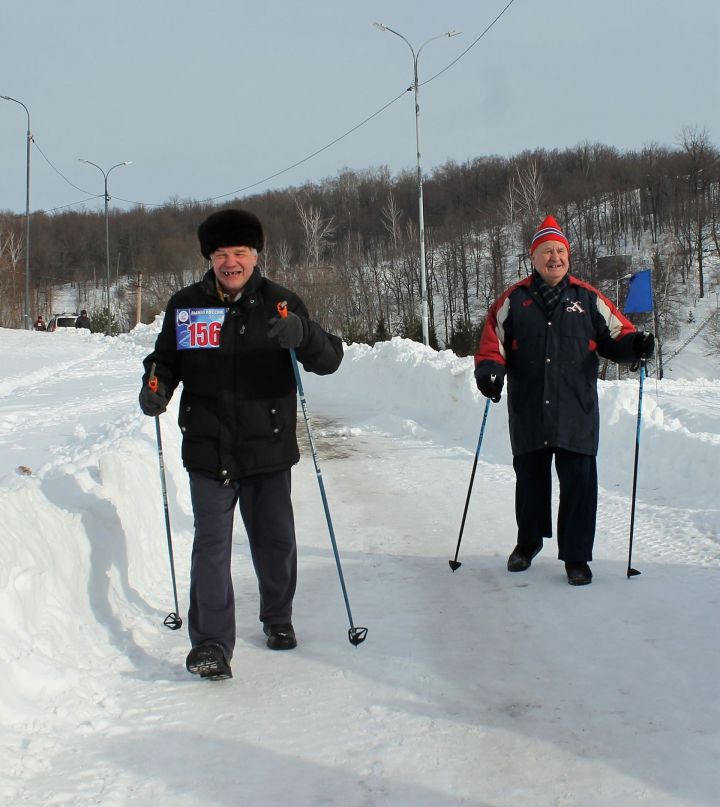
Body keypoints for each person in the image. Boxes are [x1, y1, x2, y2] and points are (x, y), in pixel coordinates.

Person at [139, 208, 343, 680]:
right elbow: (164, 360)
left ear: (256, 256)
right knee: (210, 545)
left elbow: (328, 359)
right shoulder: (186, 306)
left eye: (240, 253)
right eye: (221, 254)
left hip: (266, 446)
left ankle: (278, 618)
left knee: (274, 541)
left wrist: (304, 334)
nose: (231, 262)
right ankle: (211, 643)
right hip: (208, 445)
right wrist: (156, 387)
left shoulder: (281, 304)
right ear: (209, 258)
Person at [474, 215, 654, 586]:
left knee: (579, 484)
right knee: (530, 481)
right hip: (530, 408)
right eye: (546, 252)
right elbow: (492, 341)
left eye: (559, 251)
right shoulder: (514, 300)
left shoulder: (587, 298)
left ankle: (576, 558)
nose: (554, 258)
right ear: (534, 259)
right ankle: (528, 543)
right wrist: (490, 371)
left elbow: (620, 334)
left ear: (567, 257)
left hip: (576, 410)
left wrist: (635, 346)